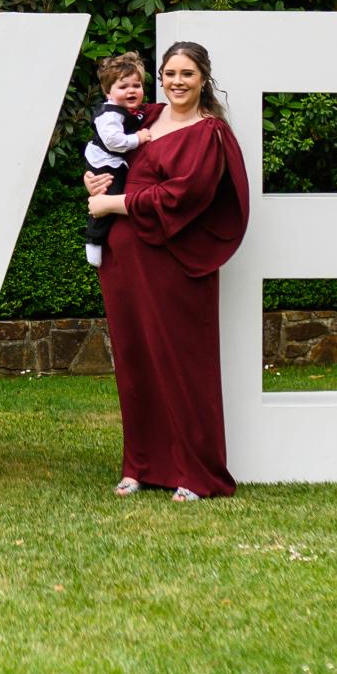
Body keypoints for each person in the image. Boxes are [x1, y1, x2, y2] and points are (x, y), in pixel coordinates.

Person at [84, 40, 251, 502]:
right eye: (170, 73)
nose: (177, 82)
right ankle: (139, 465)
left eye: (187, 74)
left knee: (182, 364)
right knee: (135, 363)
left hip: (175, 264)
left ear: (203, 80)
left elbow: (184, 197)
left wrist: (112, 202)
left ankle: (195, 473)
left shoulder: (209, 133)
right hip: (124, 259)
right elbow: (102, 148)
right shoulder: (145, 117)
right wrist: (92, 177)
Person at [80, 53, 150, 268]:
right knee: (108, 196)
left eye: (136, 85)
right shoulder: (110, 114)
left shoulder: (132, 111)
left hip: (111, 159)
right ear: (107, 91)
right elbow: (113, 141)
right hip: (106, 160)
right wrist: (137, 138)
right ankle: (94, 238)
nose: (131, 90)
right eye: (123, 87)